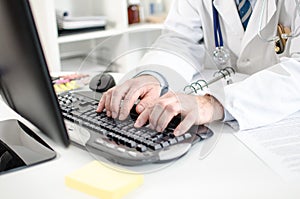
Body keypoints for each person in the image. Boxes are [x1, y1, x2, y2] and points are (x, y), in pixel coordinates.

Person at [97, 0, 300, 136]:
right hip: (226, 128)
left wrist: (212, 104)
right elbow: (180, 38)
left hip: (285, 121)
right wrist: (153, 76)